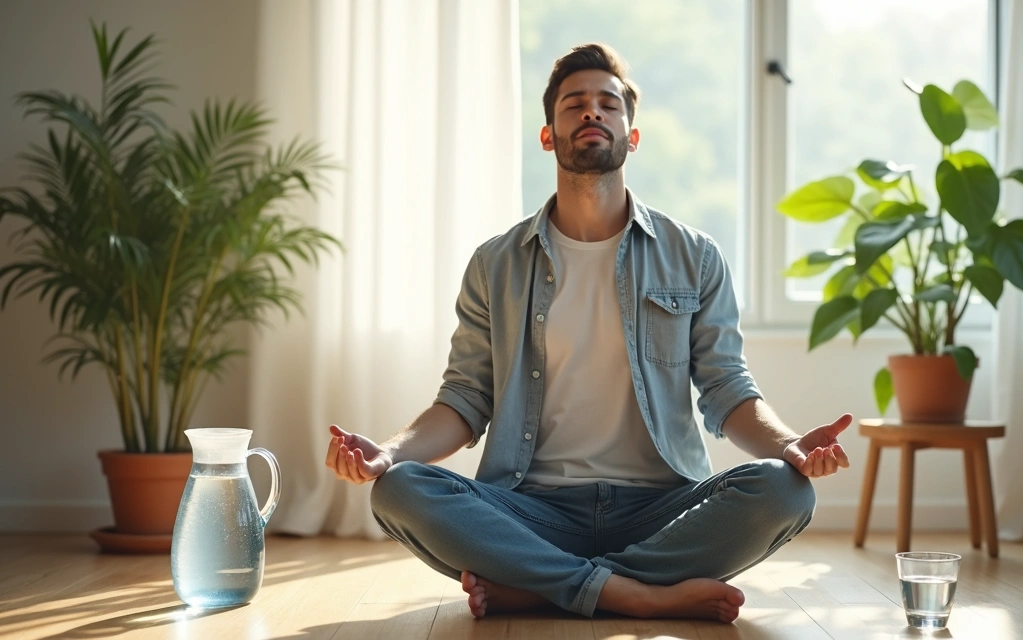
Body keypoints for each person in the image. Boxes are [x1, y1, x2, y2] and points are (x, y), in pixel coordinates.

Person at [324, 43, 852, 623]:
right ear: (549, 136)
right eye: (576, 104)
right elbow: (466, 400)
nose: (593, 113)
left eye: (609, 103)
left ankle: (544, 586)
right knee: (398, 490)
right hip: (532, 511)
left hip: (662, 509)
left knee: (786, 490)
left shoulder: (695, 257)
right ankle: (636, 593)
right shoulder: (494, 264)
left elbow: (726, 389)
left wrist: (790, 447)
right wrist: (390, 453)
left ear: (632, 134)